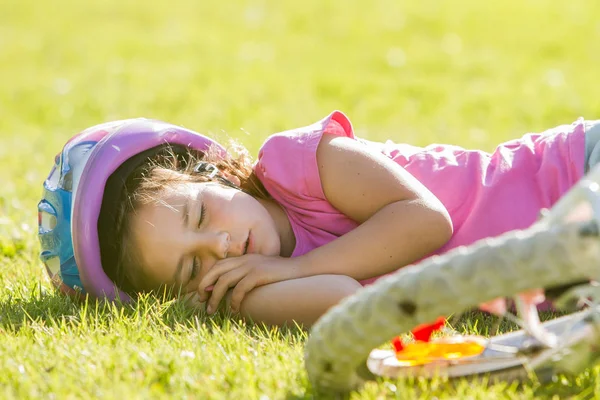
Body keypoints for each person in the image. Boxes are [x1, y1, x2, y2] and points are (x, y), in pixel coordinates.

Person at [38, 112, 600, 327]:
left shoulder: (297, 162)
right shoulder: (253, 286)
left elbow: (426, 222)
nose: (223, 245)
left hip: (572, 175)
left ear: (212, 172)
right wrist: (248, 298)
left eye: (201, 214)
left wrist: (287, 273)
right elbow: (348, 301)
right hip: (569, 273)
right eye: (191, 268)